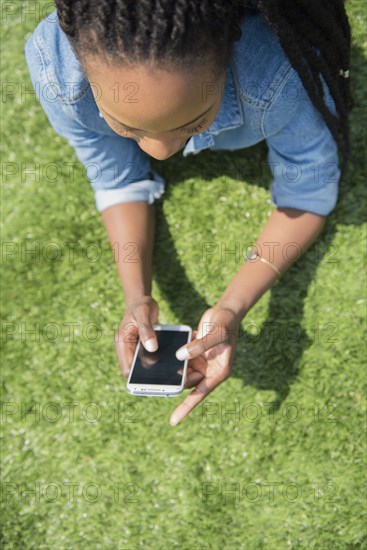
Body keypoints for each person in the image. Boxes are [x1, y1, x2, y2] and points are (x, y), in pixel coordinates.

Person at [24, 0, 352, 426]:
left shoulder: (278, 72)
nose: (161, 151)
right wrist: (135, 297)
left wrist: (232, 307)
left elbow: (308, 193)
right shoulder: (58, 73)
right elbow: (116, 179)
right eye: (127, 126)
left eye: (192, 122)